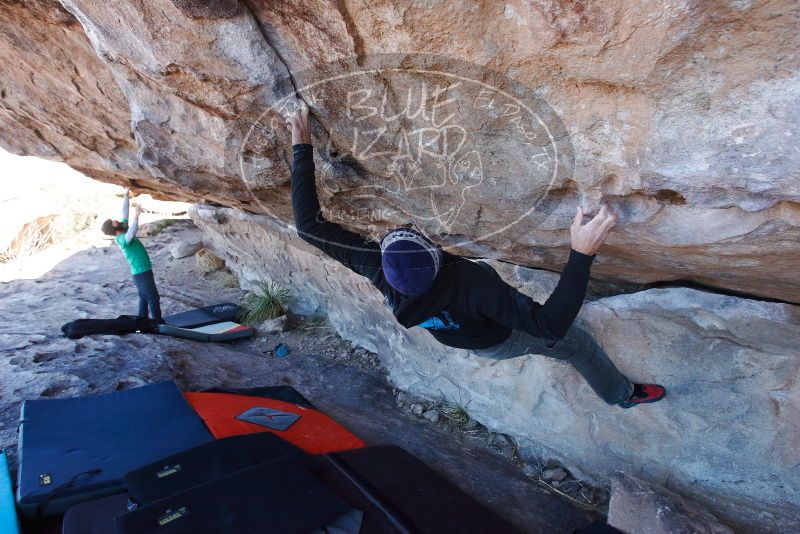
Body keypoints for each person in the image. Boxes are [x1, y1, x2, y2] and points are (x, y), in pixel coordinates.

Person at [286, 104, 665, 409]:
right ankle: (621, 395)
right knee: (578, 345)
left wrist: (301, 145)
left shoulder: (383, 272)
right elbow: (550, 325)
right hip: (499, 339)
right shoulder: (473, 285)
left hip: (462, 332)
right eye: (420, 237)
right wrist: (581, 254)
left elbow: (308, 226)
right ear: (435, 255)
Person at [100, 188, 163, 323]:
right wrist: (137, 216)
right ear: (113, 228)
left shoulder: (122, 227)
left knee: (144, 297)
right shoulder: (121, 239)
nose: (115, 220)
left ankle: (142, 320)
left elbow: (124, 211)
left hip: (142, 271)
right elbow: (131, 235)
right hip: (141, 273)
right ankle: (158, 323)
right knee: (153, 298)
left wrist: (126, 195)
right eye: (113, 221)